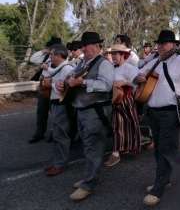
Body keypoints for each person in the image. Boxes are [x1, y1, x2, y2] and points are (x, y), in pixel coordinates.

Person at [136, 30, 180, 206]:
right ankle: (163, 179)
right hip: (153, 111)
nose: (160, 46)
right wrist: (139, 77)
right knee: (159, 149)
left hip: (171, 112)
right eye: (159, 43)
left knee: (166, 149)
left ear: (173, 45)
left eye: (164, 43)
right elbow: (138, 73)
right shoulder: (155, 60)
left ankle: (158, 188)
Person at [58, 31, 114, 201]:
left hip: (95, 112)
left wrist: (83, 82)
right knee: (88, 147)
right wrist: (65, 82)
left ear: (96, 46)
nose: (83, 48)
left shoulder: (104, 63)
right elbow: (71, 76)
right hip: (82, 110)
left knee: (93, 148)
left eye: (86, 45)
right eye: (83, 46)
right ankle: (89, 177)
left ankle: (89, 184)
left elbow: (106, 85)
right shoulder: (83, 62)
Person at [104, 44, 142, 167]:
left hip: (126, 100)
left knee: (130, 124)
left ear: (123, 55)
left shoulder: (129, 68)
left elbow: (139, 83)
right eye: (112, 54)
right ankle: (116, 153)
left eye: (116, 54)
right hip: (115, 100)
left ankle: (129, 146)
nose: (113, 56)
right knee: (117, 125)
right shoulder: (111, 68)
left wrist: (125, 82)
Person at [44, 44, 74, 176]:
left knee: (60, 135)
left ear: (58, 55)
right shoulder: (59, 68)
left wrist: (50, 84)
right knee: (57, 134)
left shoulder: (67, 69)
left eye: (52, 55)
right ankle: (57, 161)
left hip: (62, 104)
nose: (50, 57)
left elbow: (64, 90)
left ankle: (60, 164)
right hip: (56, 103)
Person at [28, 36, 62, 144]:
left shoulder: (62, 58)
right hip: (44, 88)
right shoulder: (47, 56)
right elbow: (33, 59)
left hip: (54, 88)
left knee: (56, 113)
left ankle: (55, 133)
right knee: (41, 111)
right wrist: (44, 51)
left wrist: (48, 69)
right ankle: (39, 133)